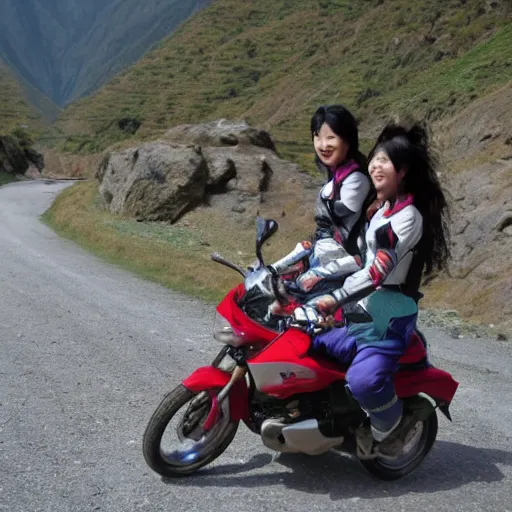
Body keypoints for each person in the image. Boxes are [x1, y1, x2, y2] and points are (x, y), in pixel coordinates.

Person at [293, 121, 451, 457]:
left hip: (387, 316)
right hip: (362, 308)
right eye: (375, 159)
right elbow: (361, 261)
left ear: (404, 172)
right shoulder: (381, 211)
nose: (376, 166)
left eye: (385, 162)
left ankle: (390, 429)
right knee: (303, 340)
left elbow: (377, 272)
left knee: (364, 381)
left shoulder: (407, 218)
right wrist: (314, 276)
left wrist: (332, 297)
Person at [268, 105, 372, 306]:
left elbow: (339, 225)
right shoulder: (338, 175)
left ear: (348, 139)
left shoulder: (356, 179)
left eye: (331, 138)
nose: (323, 145)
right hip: (324, 255)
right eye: (317, 137)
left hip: (342, 263)